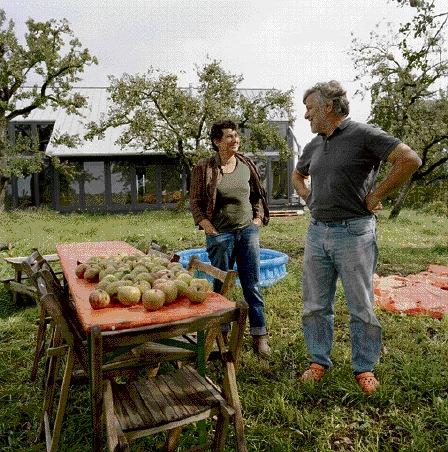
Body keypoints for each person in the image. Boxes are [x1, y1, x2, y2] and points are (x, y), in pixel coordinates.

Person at [292, 81, 421, 393]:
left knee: (360, 305)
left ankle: (364, 367)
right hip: (317, 232)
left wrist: (377, 194)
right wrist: (310, 199)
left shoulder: (364, 135)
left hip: (355, 233)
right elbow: (298, 175)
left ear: (327, 107)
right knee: (314, 305)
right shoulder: (315, 144)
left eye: (309, 108)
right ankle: (318, 360)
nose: (306, 115)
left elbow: (410, 160)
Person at [190, 119, 271, 356]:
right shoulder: (203, 168)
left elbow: (257, 195)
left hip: (247, 232)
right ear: (217, 142)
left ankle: (259, 335)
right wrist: (207, 226)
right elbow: (194, 202)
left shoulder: (246, 165)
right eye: (229, 136)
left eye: (236, 136)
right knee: (219, 286)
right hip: (220, 235)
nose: (235, 140)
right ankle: (220, 334)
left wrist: (256, 220)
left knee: (252, 284)